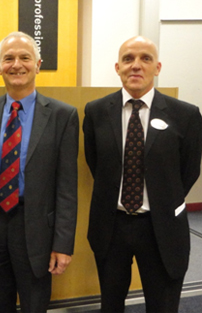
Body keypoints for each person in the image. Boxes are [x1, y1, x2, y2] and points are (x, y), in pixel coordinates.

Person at [83, 36, 202, 312]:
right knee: (110, 305)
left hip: (161, 227)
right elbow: (96, 163)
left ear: (157, 67)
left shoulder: (185, 115)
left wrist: (163, 199)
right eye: (128, 59)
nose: (136, 65)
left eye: (145, 59)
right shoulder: (97, 111)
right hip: (111, 227)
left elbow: (189, 170)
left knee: (162, 306)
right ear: (117, 67)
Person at [0, 31, 79, 313]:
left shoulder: (62, 115)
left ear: (38, 64)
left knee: (34, 305)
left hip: (37, 229)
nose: (16, 64)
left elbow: (66, 186)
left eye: (24, 57)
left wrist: (63, 244)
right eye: (9, 58)